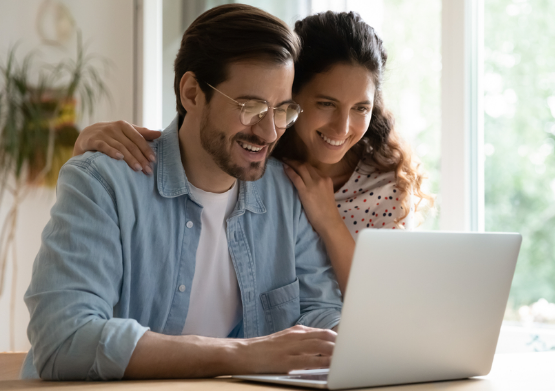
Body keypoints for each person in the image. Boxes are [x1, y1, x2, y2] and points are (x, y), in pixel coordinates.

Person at [23, 4, 343, 381]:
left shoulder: (286, 194)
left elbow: (318, 310)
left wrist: (351, 341)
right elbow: (64, 338)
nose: (270, 132)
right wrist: (242, 355)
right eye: (250, 107)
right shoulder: (103, 184)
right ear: (191, 92)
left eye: (282, 111)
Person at [74, 11, 434, 294]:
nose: (343, 128)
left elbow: (384, 304)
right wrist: (88, 142)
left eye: (361, 108)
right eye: (325, 103)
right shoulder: (259, 158)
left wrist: (328, 220)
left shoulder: (383, 186)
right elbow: (203, 130)